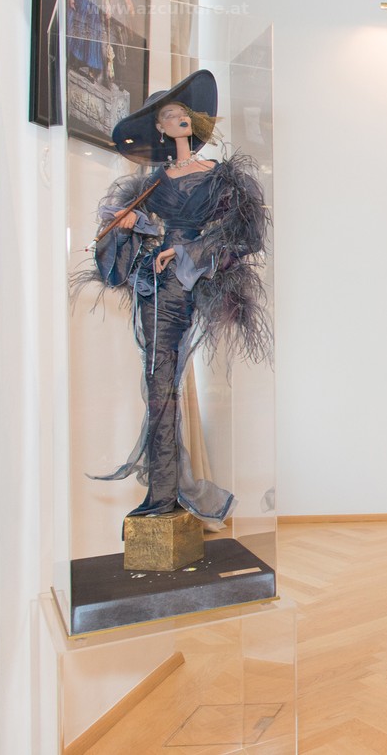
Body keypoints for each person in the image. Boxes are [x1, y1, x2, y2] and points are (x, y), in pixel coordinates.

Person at [76, 69, 272, 525]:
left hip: (190, 278)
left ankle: (166, 490)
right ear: (161, 130)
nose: (178, 119)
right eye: (168, 116)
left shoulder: (220, 176)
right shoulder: (152, 183)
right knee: (157, 376)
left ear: (193, 121)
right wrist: (134, 225)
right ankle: (163, 491)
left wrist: (186, 251)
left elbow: (246, 234)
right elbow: (121, 228)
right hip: (155, 281)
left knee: (162, 372)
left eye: (183, 113)